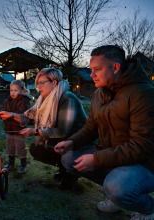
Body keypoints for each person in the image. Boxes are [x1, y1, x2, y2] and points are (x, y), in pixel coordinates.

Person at [54, 45, 154, 219]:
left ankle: (148, 208)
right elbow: (91, 127)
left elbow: (142, 146)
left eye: (97, 70)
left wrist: (96, 159)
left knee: (117, 186)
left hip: (146, 163)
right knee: (69, 158)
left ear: (115, 68)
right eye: (91, 69)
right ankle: (116, 196)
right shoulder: (99, 94)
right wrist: (73, 142)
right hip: (115, 155)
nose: (91, 75)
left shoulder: (143, 93)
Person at [0, 68, 87, 190]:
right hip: (62, 139)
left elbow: (62, 131)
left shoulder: (67, 98)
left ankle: (72, 172)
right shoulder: (44, 100)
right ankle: (63, 169)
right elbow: (29, 118)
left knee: (49, 144)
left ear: (54, 83)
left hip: (77, 142)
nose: (38, 87)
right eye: (37, 83)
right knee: (37, 148)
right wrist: (11, 115)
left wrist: (35, 131)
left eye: (42, 83)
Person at [0, 80, 31, 173]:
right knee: (10, 147)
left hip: (19, 129)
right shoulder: (7, 100)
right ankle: (11, 163)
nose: (12, 92)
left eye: (15, 90)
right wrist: (1, 114)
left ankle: (23, 165)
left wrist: (10, 114)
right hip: (9, 129)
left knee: (20, 147)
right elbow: (4, 109)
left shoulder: (24, 101)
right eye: (11, 90)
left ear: (21, 91)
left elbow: (23, 114)